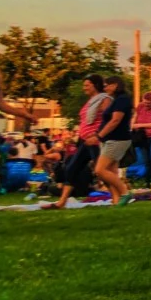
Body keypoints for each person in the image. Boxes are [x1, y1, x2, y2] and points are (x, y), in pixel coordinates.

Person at [52, 75, 113, 208]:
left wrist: (98, 135)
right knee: (72, 168)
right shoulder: (90, 101)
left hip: (96, 141)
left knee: (101, 171)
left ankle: (117, 196)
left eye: (87, 85)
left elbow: (108, 119)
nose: (84, 88)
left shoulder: (104, 99)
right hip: (85, 141)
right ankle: (62, 201)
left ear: (95, 85)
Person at [92, 75, 133, 205]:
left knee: (100, 170)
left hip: (117, 139)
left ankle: (125, 192)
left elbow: (115, 120)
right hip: (110, 139)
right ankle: (116, 201)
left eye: (106, 85)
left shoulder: (123, 100)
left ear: (115, 85)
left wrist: (99, 135)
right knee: (111, 172)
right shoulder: (116, 100)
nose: (105, 88)